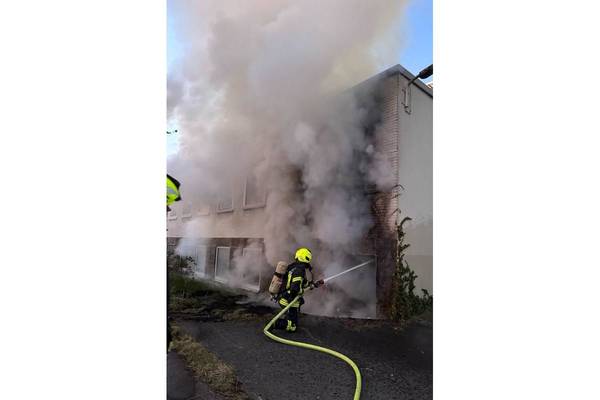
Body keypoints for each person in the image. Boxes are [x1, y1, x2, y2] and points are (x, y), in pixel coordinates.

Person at [272, 247, 322, 332]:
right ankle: (274, 324)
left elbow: (302, 283)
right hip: (288, 300)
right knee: (292, 326)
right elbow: (295, 289)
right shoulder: (299, 270)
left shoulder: (293, 267)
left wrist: (313, 285)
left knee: (291, 318)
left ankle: (287, 318)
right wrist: (301, 291)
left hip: (284, 297)